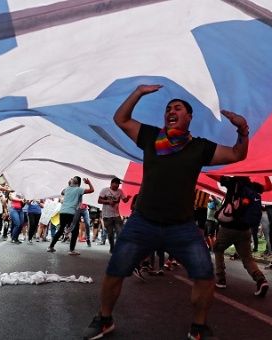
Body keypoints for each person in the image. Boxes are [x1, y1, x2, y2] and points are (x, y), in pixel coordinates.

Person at [82, 84, 249, 340]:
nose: (171, 111)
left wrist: (242, 129)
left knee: (205, 275)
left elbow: (238, 154)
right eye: (168, 108)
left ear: (189, 117)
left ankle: (199, 327)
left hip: (182, 227)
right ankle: (104, 319)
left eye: (178, 108)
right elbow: (121, 119)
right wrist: (137, 92)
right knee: (115, 269)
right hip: (142, 223)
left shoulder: (200, 147)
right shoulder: (150, 136)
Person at [48, 176, 93, 254]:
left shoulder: (67, 189)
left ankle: (51, 247)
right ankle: (72, 250)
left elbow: (62, 192)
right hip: (71, 213)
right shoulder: (79, 189)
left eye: (72, 179)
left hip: (63, 212)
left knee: (61, 229)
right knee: (75, 231)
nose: (71, 179)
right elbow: (92, 190)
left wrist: (69, 185)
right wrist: (89, 183)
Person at [97, 177, 130, 253]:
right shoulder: (105, 190)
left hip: (116, 215)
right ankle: (112, 247)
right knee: (110, 233)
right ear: (112, 183)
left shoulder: (120, 191)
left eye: (118, 184)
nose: (117, 186)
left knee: (120, 231)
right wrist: (108, 201)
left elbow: (124, 200)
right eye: (116, 184)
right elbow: (99, 200)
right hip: (107, 216)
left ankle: (118, 248)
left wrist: (127, 198)